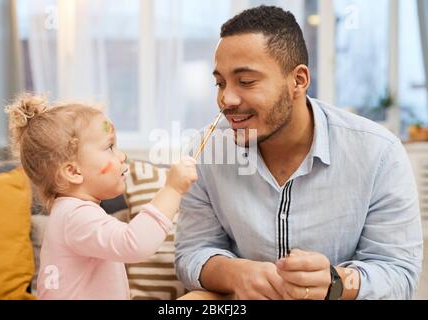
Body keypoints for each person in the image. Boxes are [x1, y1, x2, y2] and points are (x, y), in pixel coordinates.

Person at [175, 5, 423, 300]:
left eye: (246, 82)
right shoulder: (206, 151)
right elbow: (192, 251)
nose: (226, 98)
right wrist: (236, 273)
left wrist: (337, 282)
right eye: (220, 83)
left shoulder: (379, 153)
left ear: (299, 80)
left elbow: (399, 274)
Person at [5, 94, 198, 299]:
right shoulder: (76, 216)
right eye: (109, 147)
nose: (122, 156)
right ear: (73, 171)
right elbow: (134, 243)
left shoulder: (71, 213)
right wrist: (172, 189)